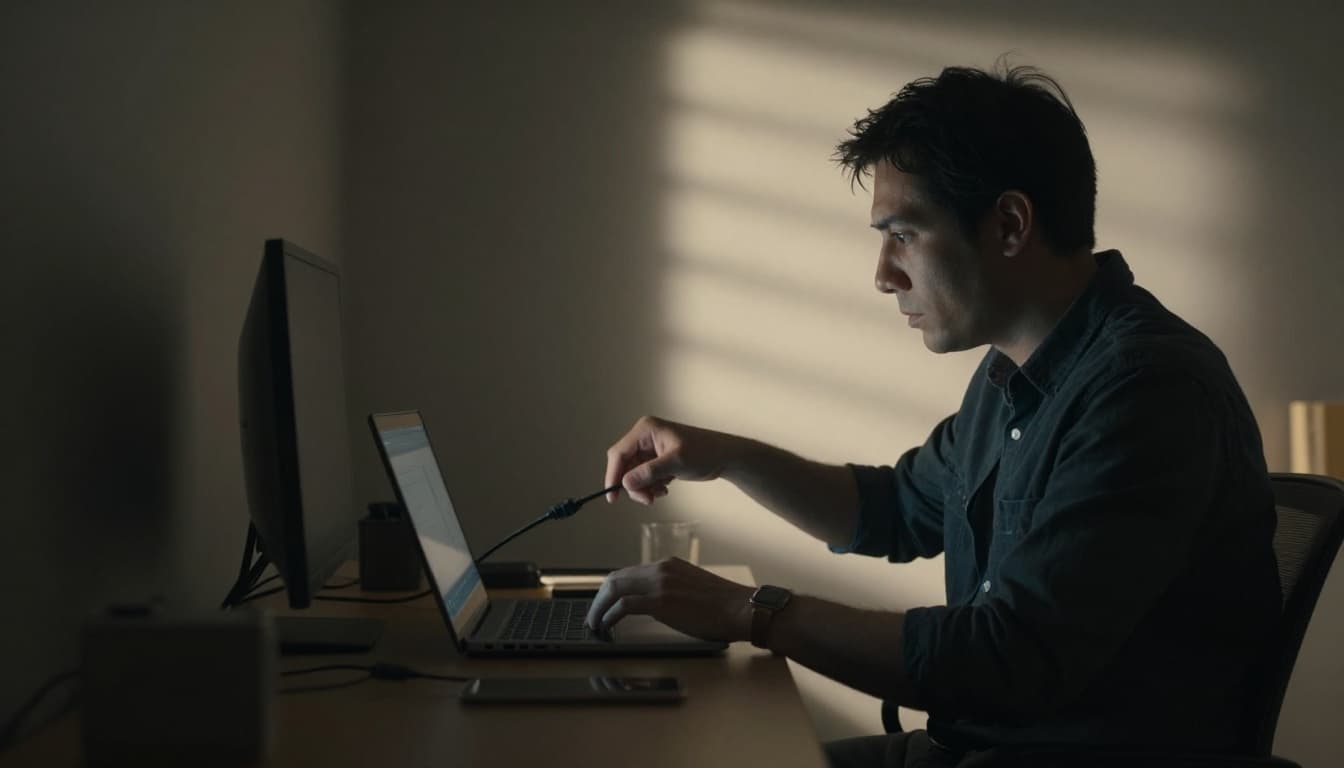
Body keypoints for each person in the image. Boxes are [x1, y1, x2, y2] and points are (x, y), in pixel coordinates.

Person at [583, 64, 1281, 768]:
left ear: (1009, 224)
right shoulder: (1011, 375)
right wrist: (725, 455)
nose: (883, 273)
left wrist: (748, 611)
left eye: (904, 234)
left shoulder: (1146, 390)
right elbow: (892, 509)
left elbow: (1008, 660)